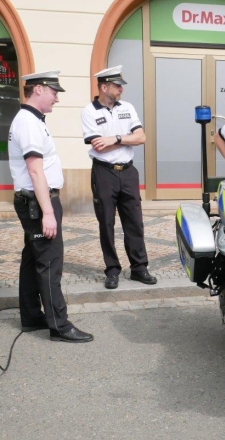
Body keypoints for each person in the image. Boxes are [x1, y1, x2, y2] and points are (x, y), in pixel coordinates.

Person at [9, 70, 93, 343]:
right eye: (54, 92)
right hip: (37, 203)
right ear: (39, 89)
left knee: (33, 259)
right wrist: (48, 212)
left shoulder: (30, 119)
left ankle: (32, 315)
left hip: (33, 201)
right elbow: (35, 171)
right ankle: (59, 325)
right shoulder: (29, 123)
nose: (57, 98)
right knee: (49, 262)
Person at [80, 65, 156, 290]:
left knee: (134, 221)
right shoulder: (89, 111)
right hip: (104, 172)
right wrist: (125, 138)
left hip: (128, 172)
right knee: (106, 222)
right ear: (104, 87)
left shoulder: (128, 107)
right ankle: (112, 270)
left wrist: (114, 138)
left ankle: (139, 268)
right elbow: (98, 146)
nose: (121, 89)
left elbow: (141, 137)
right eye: (116, 85)